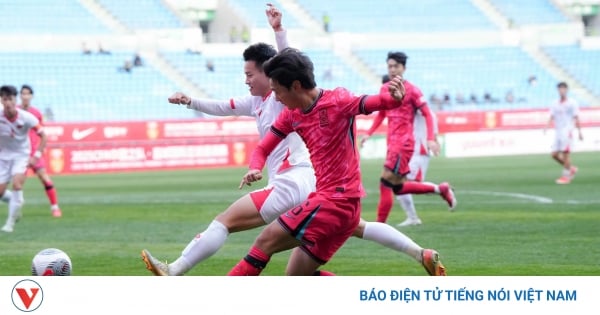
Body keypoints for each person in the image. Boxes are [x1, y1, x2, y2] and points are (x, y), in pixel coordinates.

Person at [141, 5, 445, 277]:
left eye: (250, 74)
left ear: (284, 83)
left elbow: (367, 100)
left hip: (306, 188)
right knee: (301, 273)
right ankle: (420, 254)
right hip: (325, 194)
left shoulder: (314, 99)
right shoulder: (276, 107)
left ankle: (183, 274)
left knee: (256, 237)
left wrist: (392, 99)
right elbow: (252, 133)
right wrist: (253, 163)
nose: (247, 80)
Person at [361, 51, 456, 225]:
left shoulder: (412, 90)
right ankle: (440, 189)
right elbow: (381, 114)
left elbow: (427, 114)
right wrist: (369, 133)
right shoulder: (384, 88)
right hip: (392, 144)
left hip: (403, 144)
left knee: (385, 183)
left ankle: (379, 226)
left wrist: (430, 139)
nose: (392, 69)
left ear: (403, 68)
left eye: (395, 66)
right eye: (389, 66)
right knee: (398, 187)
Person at [0, 85, 47, 233]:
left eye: (10, 99)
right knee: (1, 192)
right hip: (4, 157)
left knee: (17, 184)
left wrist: (36, 156)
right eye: (4, 99)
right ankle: (16, 203)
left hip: (21, 156)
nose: (7, 102)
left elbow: (43, 135)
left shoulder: (26, 117)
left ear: (16, 100)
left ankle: (10, 223)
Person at [18, 85, 61, 217]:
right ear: (20, 96)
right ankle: (15, 209)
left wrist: (38, 152)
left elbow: (41, 133)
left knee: (45, 178)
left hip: (34, 153)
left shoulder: (36, 113)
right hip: (20, 154)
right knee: (18, 183)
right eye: (23, 94)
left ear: (31, 96)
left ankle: (55, 207)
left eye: (27, 94)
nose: (25, 96)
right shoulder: (15, 111)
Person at [544, 82, 583, 184]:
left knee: (566, 154)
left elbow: (576, 117)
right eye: (560, 89)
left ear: (567, 90)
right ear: (558, 90)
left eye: (563, 89)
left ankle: (566, 177)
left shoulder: (572, 103)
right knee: (554, 155)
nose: (561, 90)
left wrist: (579, 131)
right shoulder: (554, 103)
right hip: (558, 131)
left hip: (567, 130)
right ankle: (571, 168)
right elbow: (551, 116)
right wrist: (547, 126)